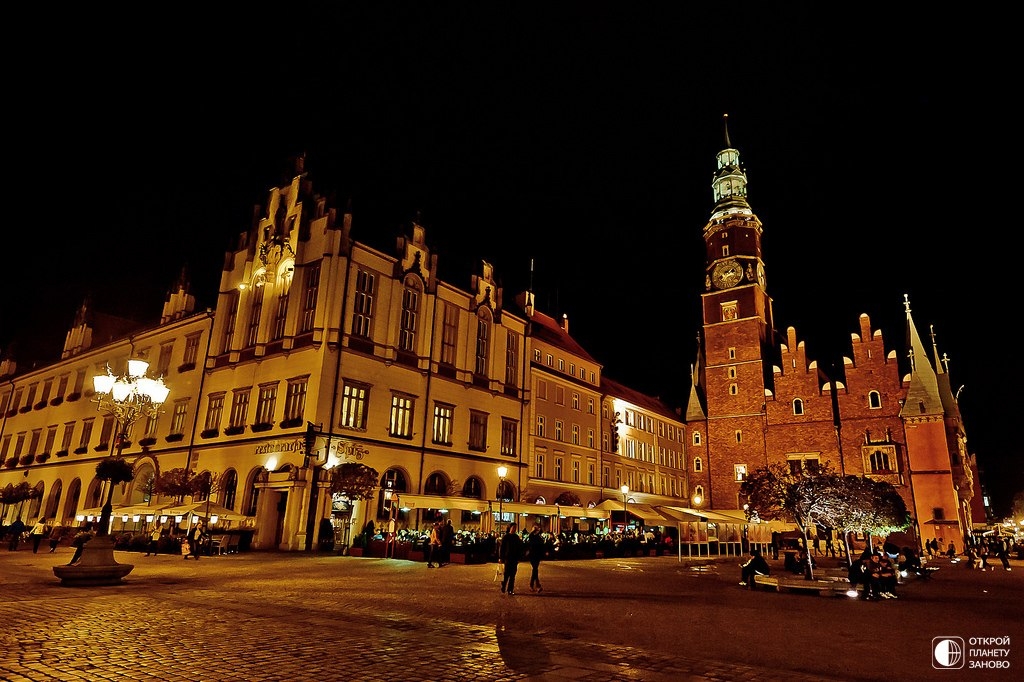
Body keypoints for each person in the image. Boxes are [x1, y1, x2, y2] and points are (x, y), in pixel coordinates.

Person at [499, 523, 524, 595]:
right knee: (506, 574)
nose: (514, 529)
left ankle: (510, 589)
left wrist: (519, 557)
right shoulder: (506, 537)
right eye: (513, 527)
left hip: (514, 558)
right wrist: (501, 557)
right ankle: (503, 586)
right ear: (510, 528)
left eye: (515, 528)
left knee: (513, 575)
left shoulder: (516, 537)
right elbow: (502, 548)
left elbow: (519, 548)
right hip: (508, 557)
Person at [527, 524, 545, 593]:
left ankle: (534, 585)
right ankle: (537, 585)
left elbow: (542, 545)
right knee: (535, 569)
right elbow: (531, 536)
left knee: (535, 570)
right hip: (532, 555)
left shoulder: (538, 537)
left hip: (536, 555)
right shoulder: (532, 537)